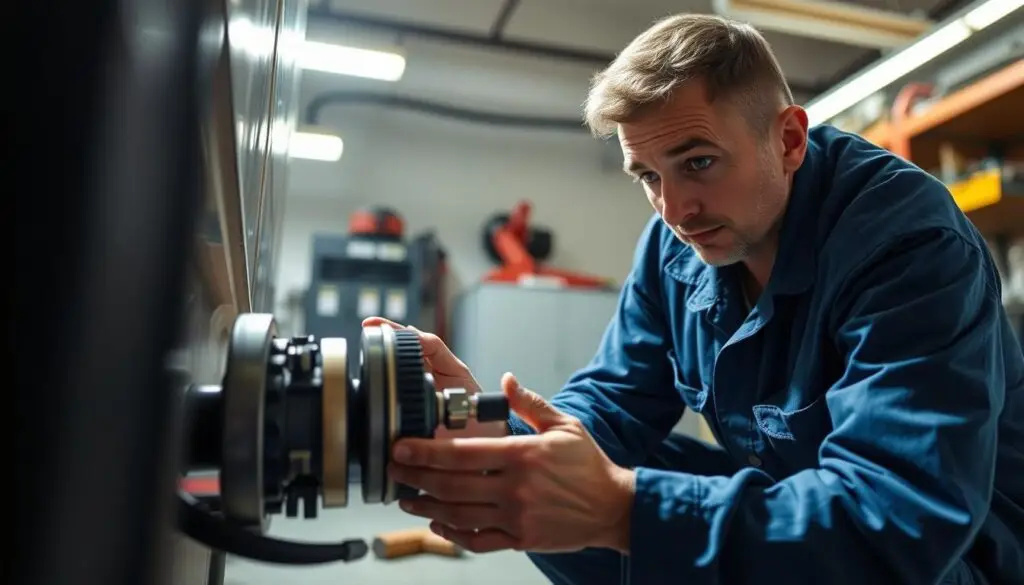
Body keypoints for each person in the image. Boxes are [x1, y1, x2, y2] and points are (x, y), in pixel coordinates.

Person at [364, 13, 1024, 585]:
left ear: (789, 140)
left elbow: (896, 519)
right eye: (648, 175)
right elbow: (612, 402)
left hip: (951, 558)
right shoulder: (673, 245)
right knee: (561, 473)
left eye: (698, 162)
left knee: (619, 502)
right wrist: (492, 436)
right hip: (804, 514)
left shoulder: (906, 243)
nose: (674, 208)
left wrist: (622, 510)